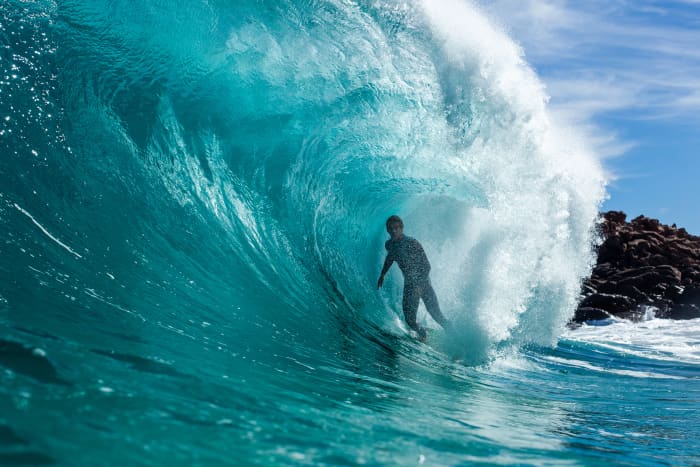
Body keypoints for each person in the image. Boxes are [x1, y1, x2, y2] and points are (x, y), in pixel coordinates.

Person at [377, 215, 449, 341]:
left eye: (396, 228)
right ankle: (423, 334)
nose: (393, 231)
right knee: (410, 320)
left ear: (401, 228)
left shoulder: (412, 243)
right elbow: (391, 257)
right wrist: (383, 274)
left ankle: (457, 338)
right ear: (387, 230)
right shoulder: (390, 245)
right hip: (409, 285)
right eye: (390, 228)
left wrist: (419, 285)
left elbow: (427, 266)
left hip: (424, 284)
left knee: (437, 316)